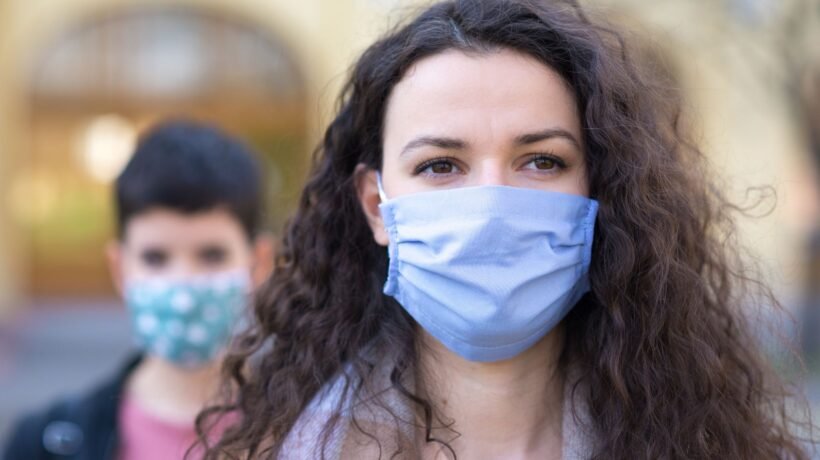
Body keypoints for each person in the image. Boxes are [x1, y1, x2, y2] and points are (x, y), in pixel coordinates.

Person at [200, 0, 813, 458]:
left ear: (601, 189)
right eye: (440, 165)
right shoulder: (296, 448)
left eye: (542, 161)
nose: (491, 204)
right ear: (375, 206)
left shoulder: (705, 441)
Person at [3, 120, 274, 460]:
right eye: (155, 258)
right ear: (120, 268)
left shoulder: (307, 435)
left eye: (212, 255)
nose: (183, 288)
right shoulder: (42, 445)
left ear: (258, 263)